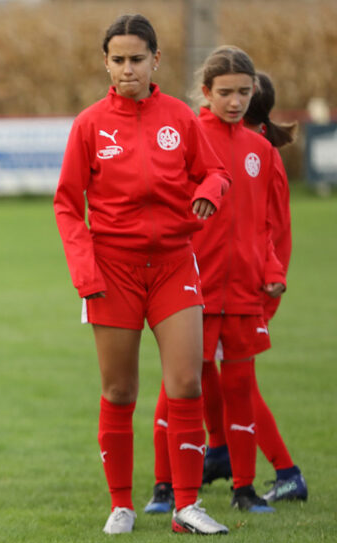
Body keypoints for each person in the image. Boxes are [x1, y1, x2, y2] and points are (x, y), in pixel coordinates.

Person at [54, 14, 231, 535]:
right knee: (120, 391)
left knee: (185, 380)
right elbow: (67, 205)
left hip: (175, 264)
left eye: (137, 59)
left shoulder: (180, 117)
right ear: (105, 63)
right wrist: (85, 271)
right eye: (118, 60)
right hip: (112, 272)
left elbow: (216, 172)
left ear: (156, 60)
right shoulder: (89, 125)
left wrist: (206, 193)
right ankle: (121, 506)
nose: (127, 69)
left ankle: (186, 506)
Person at [143, 48, 287, 515]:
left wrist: (272, 272)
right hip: (191, 290)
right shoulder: (187, 135)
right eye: (225, 92)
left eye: (244, 92)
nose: (235, 101)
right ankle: (164, 486)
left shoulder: (261, 150)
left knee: (241, 391)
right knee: (179, 387)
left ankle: (244, 488)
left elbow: (265, 226)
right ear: (205, 92)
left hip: (243, 292)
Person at [243, 72, 308, 502]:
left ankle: (286, 473)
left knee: (236, 383)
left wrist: (270, 281)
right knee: (202, 378)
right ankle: (216, 454)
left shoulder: (261, 156)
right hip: (239, 283)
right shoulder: (239, 149)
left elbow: (270, 232)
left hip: (254, 288)